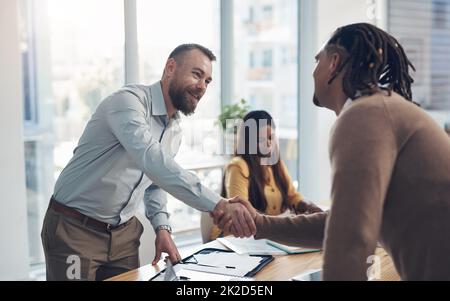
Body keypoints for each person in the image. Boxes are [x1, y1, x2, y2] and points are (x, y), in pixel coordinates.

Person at [220, 23, 450, 280]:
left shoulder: (365, 115)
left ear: (334, 62)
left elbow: (350, 239)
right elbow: (338, 225)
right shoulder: (377, 109)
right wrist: (261, 224)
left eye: (318, 60)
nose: (313, 71)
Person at [41, 43, 256, 281]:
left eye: (207, 81)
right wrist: (218, 204)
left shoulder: (174, 131)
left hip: (123, 236)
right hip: (75, 229)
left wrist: (162, 227)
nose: (201, 87)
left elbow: (154, 182)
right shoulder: (127, 103)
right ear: (170, 67)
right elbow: (154, 161)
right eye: (196, 74)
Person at [209, 110, 322, 240]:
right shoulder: (238, 166)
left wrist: (309, 206)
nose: (269, 143)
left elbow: (293, 197)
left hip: (265, 237)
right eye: (261, 139)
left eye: (271, 137)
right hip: (233, 240)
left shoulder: (275, 164)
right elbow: (241, 213)